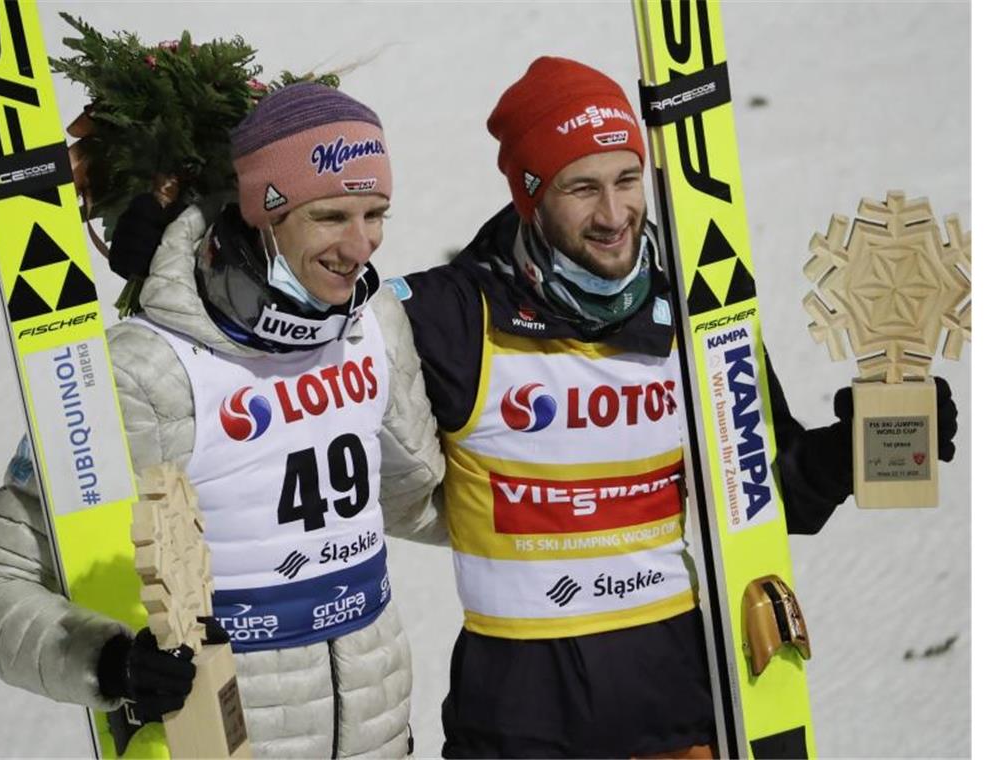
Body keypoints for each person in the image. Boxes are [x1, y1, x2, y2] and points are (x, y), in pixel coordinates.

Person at [384, 57, 961, 758]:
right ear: (531, 193)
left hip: (677, 713)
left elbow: (771, 490)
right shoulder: (451, 315)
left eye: (629, 180)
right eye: (582, 188)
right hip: (518, 724)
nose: (614, 214)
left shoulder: (698, 310)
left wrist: (859, 447)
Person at [0, 82, 445, 758]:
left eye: (376, 213)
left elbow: (415, 497)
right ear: (264, 214)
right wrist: (113, 664)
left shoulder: (372, 325)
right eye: (332, 216)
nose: (362, 245)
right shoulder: (148, 370)